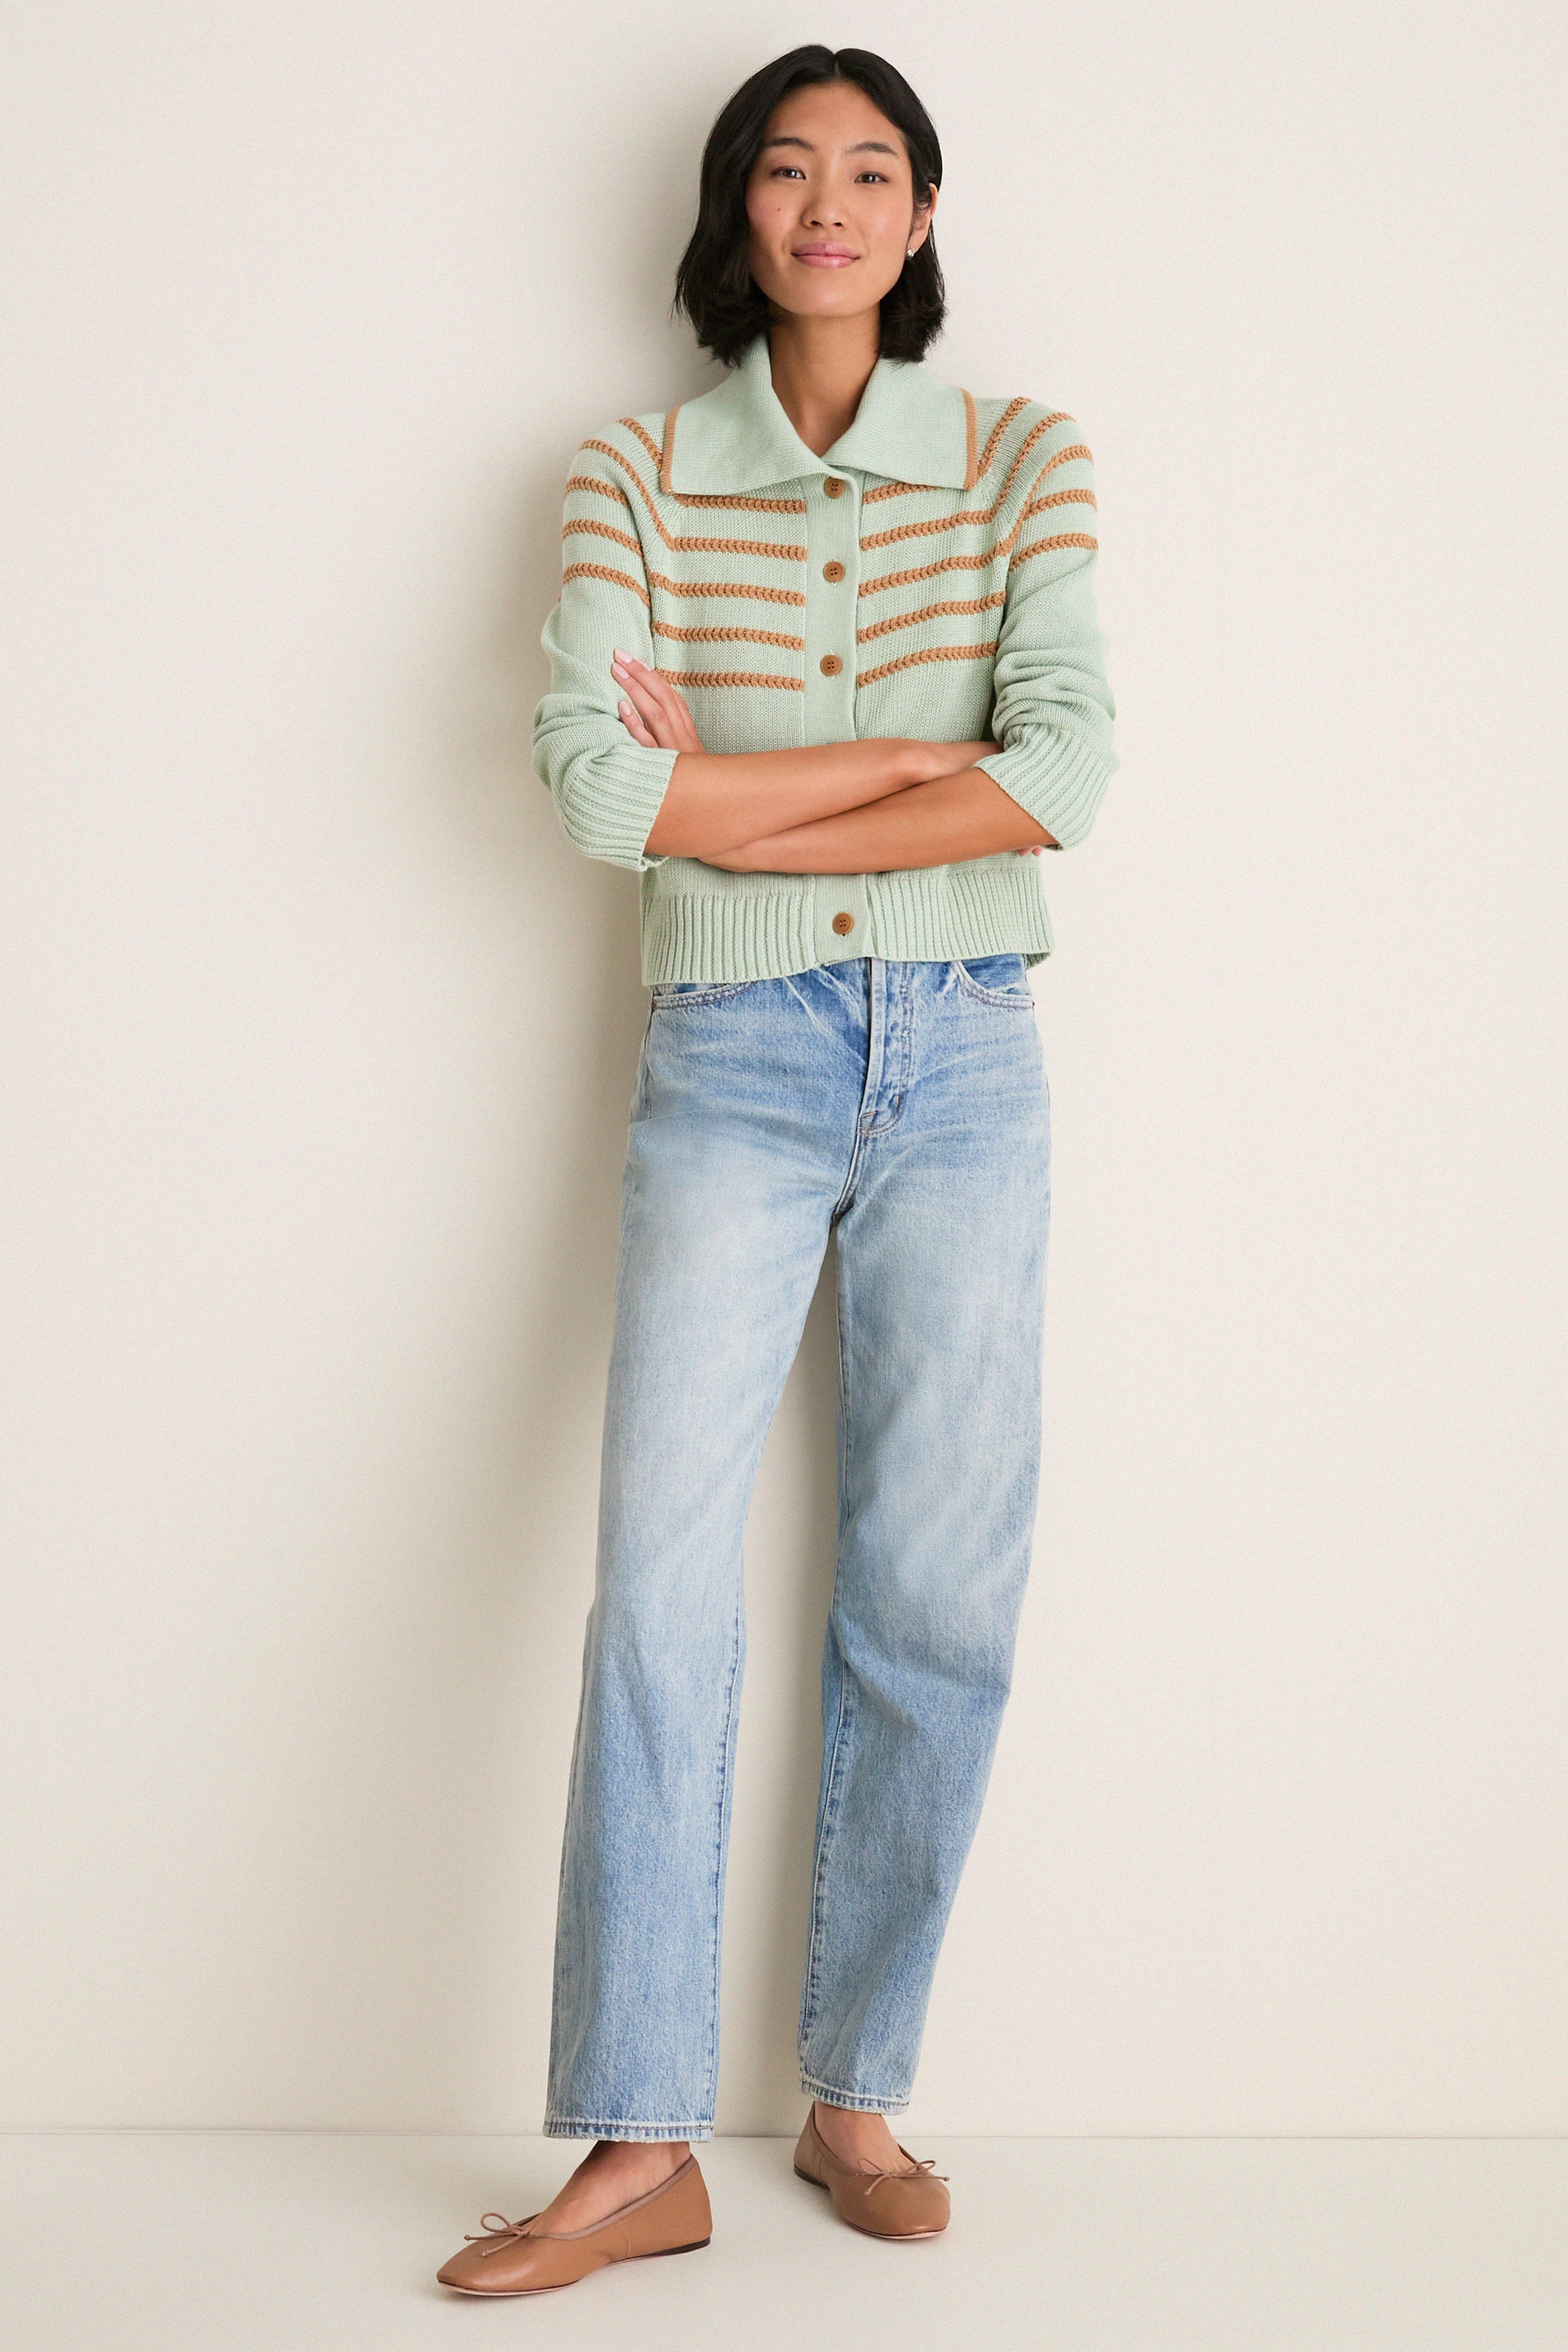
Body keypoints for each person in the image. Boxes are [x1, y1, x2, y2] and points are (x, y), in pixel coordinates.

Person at [437, 41, 1116, 2298]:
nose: (831, 203)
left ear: (924, 218)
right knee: (660, 1585)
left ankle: (854, 2085)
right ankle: (642, 2139)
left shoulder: (1026, 457)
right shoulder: (627, 471)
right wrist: (920, 751)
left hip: (970, 1059)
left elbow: (1065, 779)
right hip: (726, 1052)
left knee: (938, 1587)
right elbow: (599, 794)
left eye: (875, 170)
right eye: (789, 169)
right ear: (737, 211)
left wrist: (765, 774)